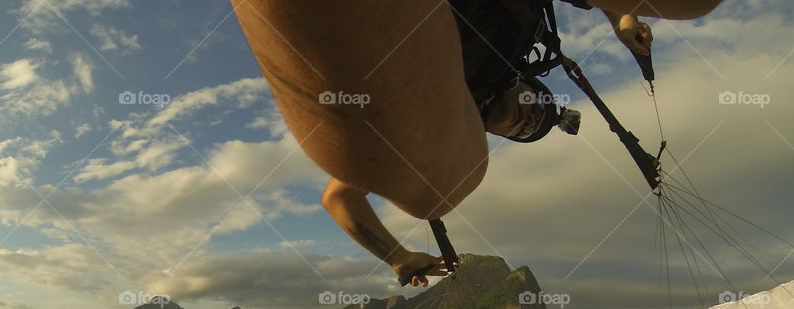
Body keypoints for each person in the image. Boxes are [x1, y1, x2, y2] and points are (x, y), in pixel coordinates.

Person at [231, 0, 722, 285]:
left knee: (440, 188)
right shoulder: (522, 30)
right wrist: (624, 19)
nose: (528, 120)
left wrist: (399, 256)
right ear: (530, 79)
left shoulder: (437, 104)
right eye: (538, 108)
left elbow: (338, 196)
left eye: (526, 131)